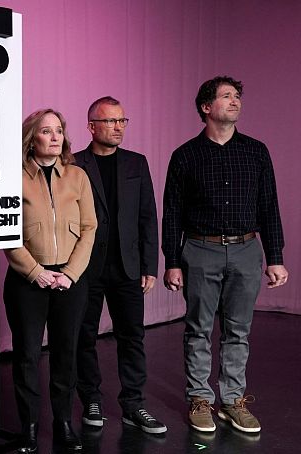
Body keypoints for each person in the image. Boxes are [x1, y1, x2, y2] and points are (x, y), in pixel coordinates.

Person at [162, 76, 289, 434]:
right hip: (200, 249)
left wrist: (275, 256)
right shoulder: (185, 155)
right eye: (226, 96)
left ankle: (232, 401)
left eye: (237, 96)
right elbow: (172, 213)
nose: (235, 101)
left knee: (238, 331)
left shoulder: (256, 151)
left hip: (247, 249)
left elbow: (269, 205)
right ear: (206, 107)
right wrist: (172, 262)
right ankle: (200, 399)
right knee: (198, 329)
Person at [4, 108, 97, 452]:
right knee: (27, 355)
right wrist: (35, 272)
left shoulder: (78, 176)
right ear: (32, 139)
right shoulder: (12, 178)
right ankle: (28, 428)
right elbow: (5, 232)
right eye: (46, 131)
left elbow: (89, 228)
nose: (55, 136)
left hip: (70, 282)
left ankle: (64, 423)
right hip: (27, 280)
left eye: (59, 130)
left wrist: (70, 274)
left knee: (65, 353)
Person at [73, 97, 166, 434]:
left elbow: (147, 216)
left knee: (132, 336)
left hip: (128, 266)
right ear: (91, 126)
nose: (118, 127)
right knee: (83, 336)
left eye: (122, 121)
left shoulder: (136, 163)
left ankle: (133, 404)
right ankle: (91, 399)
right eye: (110, 121)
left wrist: (150, 265)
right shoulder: (74, 163)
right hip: (85, 267)